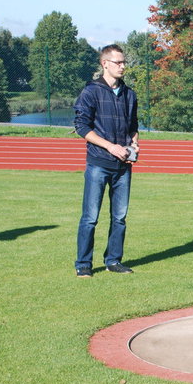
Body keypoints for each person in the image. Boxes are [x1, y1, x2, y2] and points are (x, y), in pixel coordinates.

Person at [73, 44, 139, 278]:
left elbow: (133, 127)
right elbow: (82, 127)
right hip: (98, 164)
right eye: (118, 62)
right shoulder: (91, 91)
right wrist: (111, 146)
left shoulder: (130, 94)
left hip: (123, 168)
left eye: (123, 62)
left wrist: (133, 145)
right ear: (105, 64)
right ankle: (83, 264)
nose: (122, 66)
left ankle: (113, 260)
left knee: (120, 217)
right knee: (90, 218)